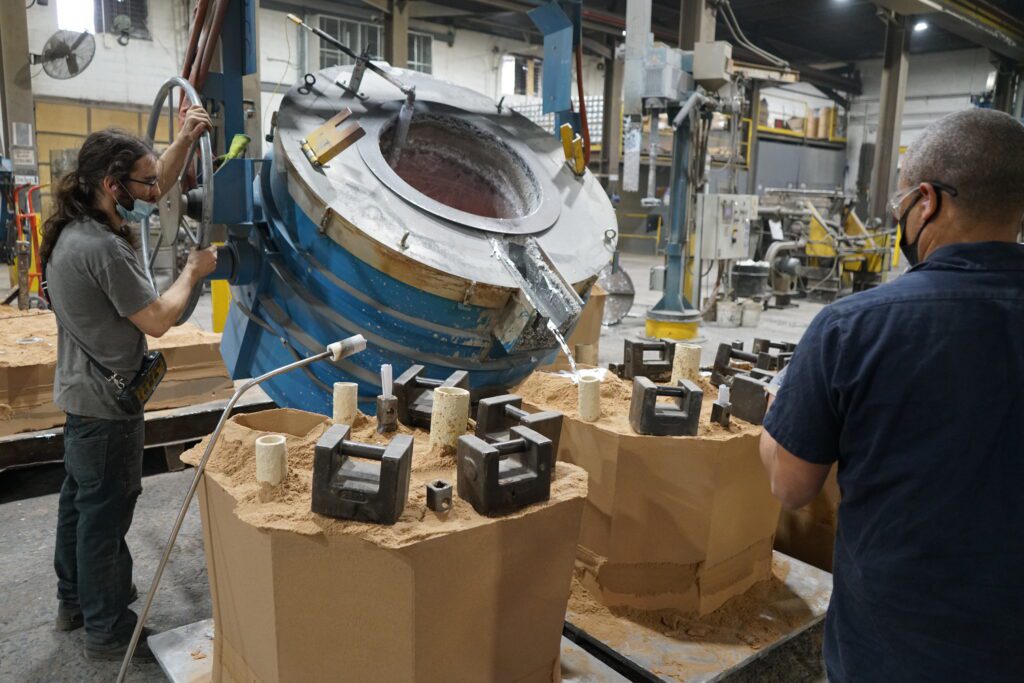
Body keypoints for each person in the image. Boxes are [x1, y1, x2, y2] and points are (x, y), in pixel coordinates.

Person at [759, 108, 1024, 681]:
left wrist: (782, 407)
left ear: (926, 202)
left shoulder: (853, 327)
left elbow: (791, 485)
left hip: (894, 653)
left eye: (902, 202)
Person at [39, 107, 218, 661]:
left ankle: (78, 602)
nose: (158, 189)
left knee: (80, 504)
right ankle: (109, 628)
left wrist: (185, 137)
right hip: (107, 407)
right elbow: (159, 320)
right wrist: (193, 271)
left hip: (79, 393)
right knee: (107, 515)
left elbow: (157, 176)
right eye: (142, 183)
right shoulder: (105, 250)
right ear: (113, 186)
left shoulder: (73, 228)